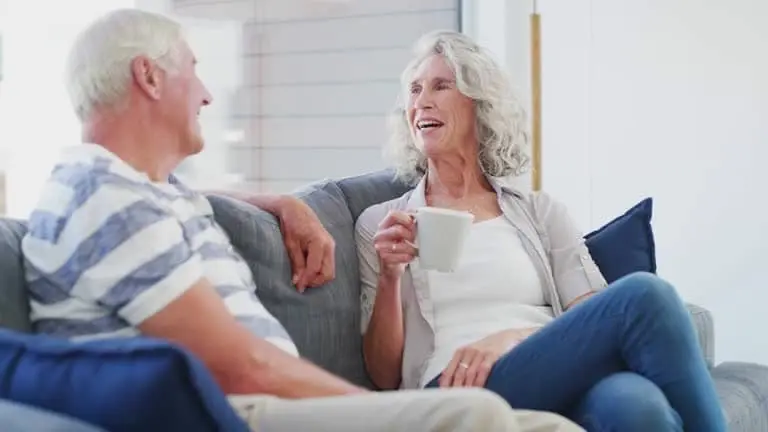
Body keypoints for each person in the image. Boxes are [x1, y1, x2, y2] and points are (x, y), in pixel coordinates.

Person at [21, 9, 582, 432]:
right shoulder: (104, 197)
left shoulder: (142, 194)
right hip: (231, 411)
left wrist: (282, 202)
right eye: (193, 70)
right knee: (478, 416)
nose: (208, 95)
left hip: (259, 402)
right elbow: (242, 367)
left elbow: (178, 196)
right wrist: (378, 412)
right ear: (148, 76)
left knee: (551, 427)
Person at [356, 30, 728, 432]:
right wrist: (390, 275)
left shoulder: (539, 212)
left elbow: (589, 313)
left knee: (638, 408)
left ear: (480, 105)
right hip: (455, 389)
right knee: (647, 295)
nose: (421, 101)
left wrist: (513, 338)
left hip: (551, 370)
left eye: (441, 86)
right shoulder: (383, 223)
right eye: (414, 90)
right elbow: (384, 376)